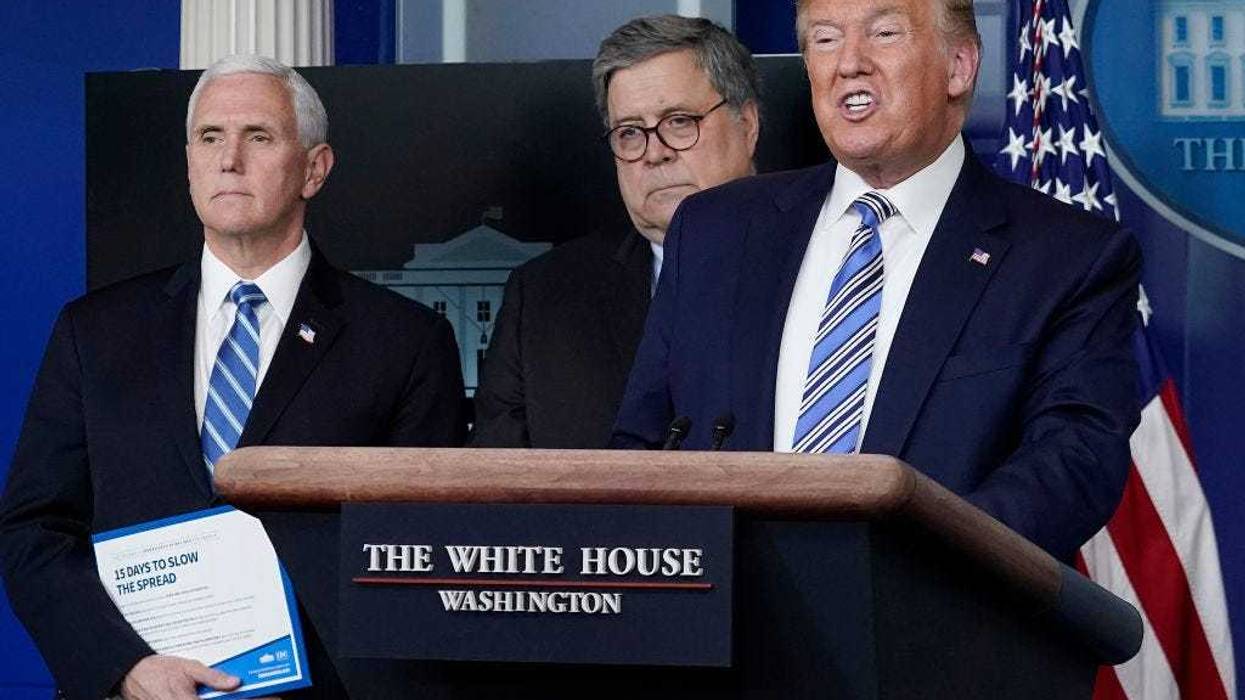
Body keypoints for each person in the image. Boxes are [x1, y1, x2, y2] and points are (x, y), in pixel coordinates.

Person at [0, 54, 466, 700]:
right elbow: (35, 530)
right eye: (210, 138)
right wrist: (125, 668)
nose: (229, 160)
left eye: (259, 137)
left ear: (314, 168)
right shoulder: (94, 333)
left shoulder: (405, 341)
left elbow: (424, 553)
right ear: (188, 160)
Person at [612, 0, 1142, 562]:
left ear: (959, 67)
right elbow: (642, 441)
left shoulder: (1067, 258)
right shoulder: (714, 230)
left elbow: (1073, 461)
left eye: (884, 33)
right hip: (724, 626)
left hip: (933, 619)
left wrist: (906, 570)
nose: (849, 64)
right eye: (824, 40)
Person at [471, 15, 760, 448]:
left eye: (679, 121)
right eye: (629, 132)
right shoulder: (543, 298)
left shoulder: (827, 263)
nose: (654, 153)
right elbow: (493, 488)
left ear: (747, 125)